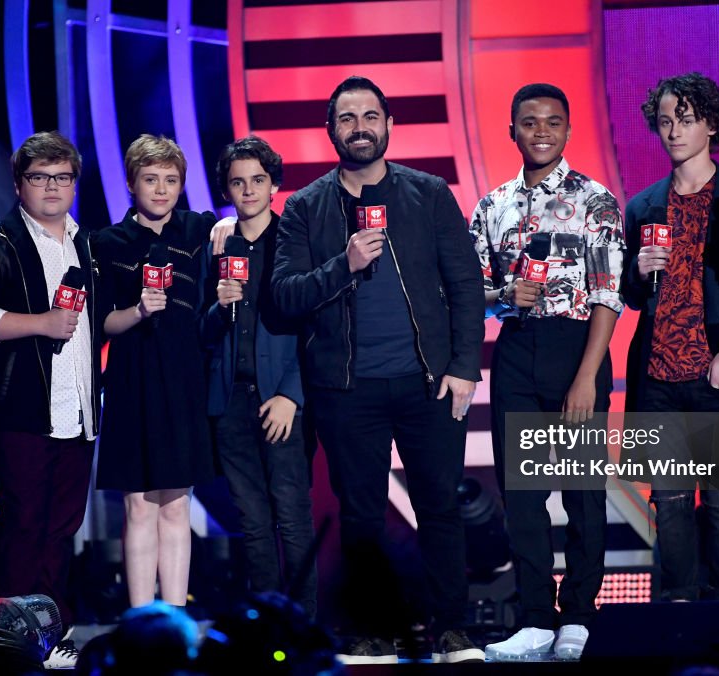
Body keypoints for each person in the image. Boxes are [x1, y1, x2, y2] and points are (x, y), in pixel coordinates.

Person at [271, 76, 485, 664]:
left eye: (370, 116)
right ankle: (368, 630)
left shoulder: (429, 193)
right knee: (360, 513)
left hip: (429, 382)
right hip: (347, 388)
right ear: (331, 130)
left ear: (389, 125)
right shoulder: (306, 207)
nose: (360, 127)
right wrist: (344, 263)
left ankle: (452, 628)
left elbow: (466, 285)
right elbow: (284, 295)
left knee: (440, 505)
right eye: (347, 118)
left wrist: (466, 366)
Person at [471, 83, 625, 661]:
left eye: (552, 122)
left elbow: (609, 294)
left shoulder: (596, 201)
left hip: (575, 348)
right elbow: (472, 294)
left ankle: (578, 616)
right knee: (523, 492)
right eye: (529, 122)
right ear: (511, 130)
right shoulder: (493, 204)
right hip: (515, 350)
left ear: (567, 130)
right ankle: (536, 616)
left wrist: (587, 376)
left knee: (582, 491)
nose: (541, 131)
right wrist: (503, 294)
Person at [0, 131, 101, 669]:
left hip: (78, 412)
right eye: (40, 177)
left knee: (61, 533)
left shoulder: (86, 242)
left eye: (62, 177)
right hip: (22, 409)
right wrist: (40, 323)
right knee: (24, 528)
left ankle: (52, 639)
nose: (52, 187)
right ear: (20, 185)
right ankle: (9, 646)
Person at [623, 73, 719, 602]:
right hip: (658, 378)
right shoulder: (643, 206)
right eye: (666, 121)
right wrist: (636, 269)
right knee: (670, 502)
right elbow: (633, 297)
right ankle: (677, 612)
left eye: (687, 119)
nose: (674, 130)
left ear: (711, 124)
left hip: (714, 373)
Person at [93, 135, 218, 611]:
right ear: (131, 183)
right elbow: (104, 323)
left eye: (171, 180)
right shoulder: (107, 243)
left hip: (184, 382)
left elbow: (229, 229)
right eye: (151, 179)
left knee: (177, 504)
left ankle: (176, 620)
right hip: (131, 383)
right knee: (138, 505)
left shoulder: (196, 230)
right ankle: (142, 618)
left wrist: (225, 230)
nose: (161, 190)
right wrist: (140, 311)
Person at [200, 136, 317, 617]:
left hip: (281, 401)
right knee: (251, 521)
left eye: (257, 180)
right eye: (237, 182)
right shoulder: (219, 244)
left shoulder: (294, 240)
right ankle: (268, 625)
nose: (247, 190)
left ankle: (305, 623)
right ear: (226, 189)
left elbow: (316, 326)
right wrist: (218, 305)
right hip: (231, 400)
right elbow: (203, 331)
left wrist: (292, 394)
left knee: (291, 516)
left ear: (274, 185)